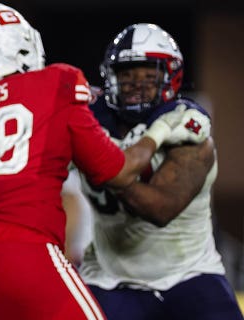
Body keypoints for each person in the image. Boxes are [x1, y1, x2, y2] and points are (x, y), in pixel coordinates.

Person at [0, 4, 208, 320]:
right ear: (18, 45)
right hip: (26, 251)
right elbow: (117, 171)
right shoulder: (57, 83)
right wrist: (161, 129)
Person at [77, 23, 244, 320]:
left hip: (189, 274)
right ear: (111, 77)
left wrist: (100, 161)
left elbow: (160, 208)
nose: (135, 84)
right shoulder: (90, 118)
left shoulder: (184, 124)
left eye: (148, 75)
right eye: (126, 75)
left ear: (170, 77)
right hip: (110, 277)